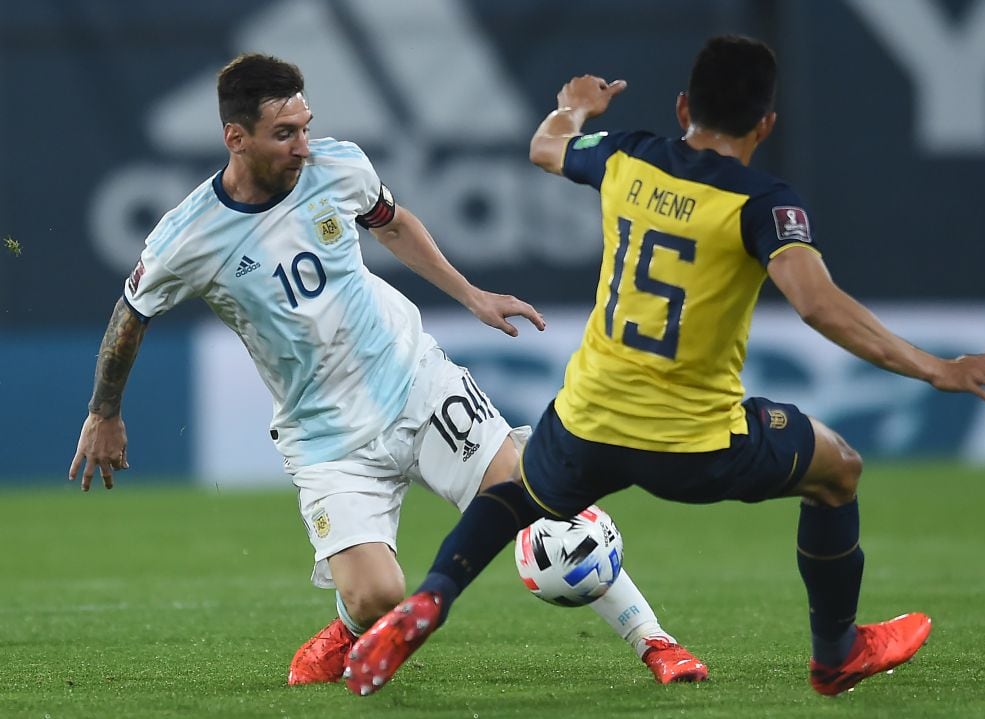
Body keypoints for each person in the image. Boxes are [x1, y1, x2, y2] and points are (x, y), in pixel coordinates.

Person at [343, 34, 985, 698]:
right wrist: (935, 369)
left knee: (518, 490)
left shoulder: (626, 157)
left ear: (680, 109)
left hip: (587, 419)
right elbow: (818, 305)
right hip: (694, 445)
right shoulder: (766, 204)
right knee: (838, 468)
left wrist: (575, 105)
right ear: (766, 124)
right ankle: (837, 652)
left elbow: (546, 145)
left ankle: (432, 596)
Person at [66, 53, 707, 687]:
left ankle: (657, 644)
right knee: (380, 595)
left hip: (416, 382)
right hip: (327, 437)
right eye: (283, 134)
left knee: (548, 511)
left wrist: (472, 295)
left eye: (305, 125)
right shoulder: (187, 236)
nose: (302, 145)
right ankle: (350, 625)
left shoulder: (339, 165)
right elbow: (131, 315)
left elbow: (394, 225)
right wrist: (104, 413)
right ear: (236, 138)